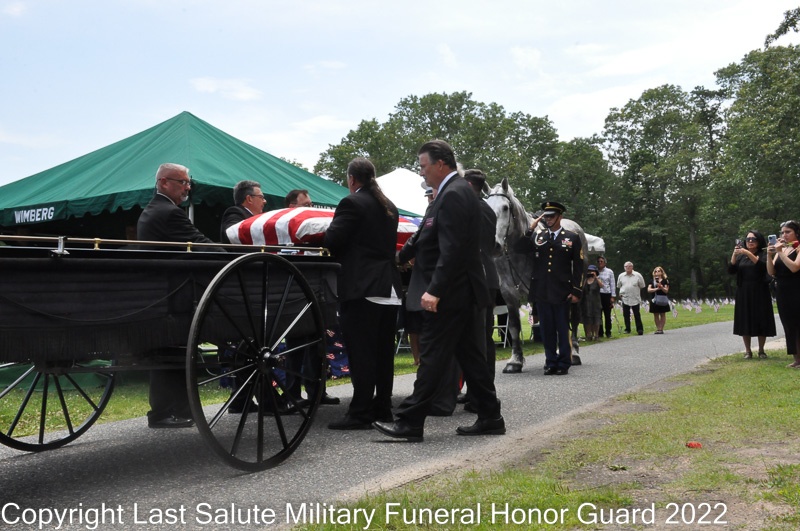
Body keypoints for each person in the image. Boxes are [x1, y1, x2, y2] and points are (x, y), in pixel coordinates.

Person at [373, 140, 504, 442]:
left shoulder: (454, 194)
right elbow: (431, 237)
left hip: (453, 292)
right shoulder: (453, 192)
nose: (421, 172)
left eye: (423, 166)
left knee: (432, 354)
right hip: (462, 290)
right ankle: (491, 417)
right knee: (471, 357)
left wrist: (435, 289)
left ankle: (409, 422)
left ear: (440, 164)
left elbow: (453, 248)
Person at [137, 163, 221, 429]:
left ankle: (175, 410)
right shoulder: (169, 212)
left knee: (169, 352)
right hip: (172, 294)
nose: (187, 188)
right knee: (173, 351)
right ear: (163, 182)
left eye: (188, 183)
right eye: (182, 182)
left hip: (161, 293)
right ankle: (167, 411)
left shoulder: (154, 210)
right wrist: (231, 257)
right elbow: (199, 243)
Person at [324, 158, 403, 430]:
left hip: (364, 287)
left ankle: (360, 412)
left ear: (352, 179)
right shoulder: (388, 205)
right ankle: (383, 408)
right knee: (383, 353)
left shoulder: (352, 203)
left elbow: (332, 240)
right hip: (388, 288)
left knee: (361, 353)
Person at [516, 201, 584, 375]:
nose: (548, 219)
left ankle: (564, 363)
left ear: (560, 217)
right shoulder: (538, 236)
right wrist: (530, 229)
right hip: (541, 290)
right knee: (546, 329)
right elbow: (519, 248)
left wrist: (577, 290)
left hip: (562, 290)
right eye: (545, 216)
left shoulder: (572, 237)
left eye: (551, 216)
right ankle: (550, 361)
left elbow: (578, 266)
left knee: (562, 328)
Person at [462, 169, 500, 412]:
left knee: (479, 339)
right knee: (482, 338)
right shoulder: (486, 209)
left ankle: (483, 395)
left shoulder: (471, 208)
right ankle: (479, 391)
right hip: (488, 275)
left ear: (467, 185)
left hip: (477, 276)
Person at [728, 231, 776, 358]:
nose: (750, 241)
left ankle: (761, 350)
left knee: (761, 318)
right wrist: (734, 254)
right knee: (745, 319)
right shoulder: (741, 257)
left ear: (759, 241)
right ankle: (748, 351)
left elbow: (762, 267)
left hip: (760, 291)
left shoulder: (763, 254)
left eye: (753, 239)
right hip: (743, 291)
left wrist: (747, 253)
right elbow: (731, 270)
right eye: (748, 239)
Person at [766, 221, 800, 368]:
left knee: (798, 322)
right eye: (782, 232)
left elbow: (795, 267)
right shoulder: (783, 249)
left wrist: (780, 252)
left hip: (796, 289)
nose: (784, 235)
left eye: (788, 232)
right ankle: (797, 358)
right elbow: (771, 271)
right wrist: (769, 255)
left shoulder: (798, 248)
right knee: (788, 324)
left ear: (796, 233)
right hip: (782, 291)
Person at [617, 261, 645, 335]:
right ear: (624, 267)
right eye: (626, 266)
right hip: (625, 297)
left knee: (637, 314)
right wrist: (621, 293)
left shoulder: (638, 275)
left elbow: (642, 285)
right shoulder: (621, 276)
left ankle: (639, 329)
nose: (628, 268)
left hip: (635, 297)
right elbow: (619, 285)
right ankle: (627, 329)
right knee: (626, 314)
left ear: (632, 267)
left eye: (629, 266)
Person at [581, 264, 602, 341]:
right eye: (589, 271)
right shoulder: (585, 280)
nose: (590, 272)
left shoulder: (598, 279)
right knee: (587, 319)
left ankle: (596, 335)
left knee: (596, 318)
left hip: (596, 302)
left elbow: (602, 286)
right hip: (586, 302)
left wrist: (595, 277)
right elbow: (582, 288)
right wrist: (585, 278)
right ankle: (588, 335)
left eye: (592, 271)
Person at [647, 266, 671, 334]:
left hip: (663, 299)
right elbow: (649, 290)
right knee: (656, 314)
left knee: (662, 314)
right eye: (655, 271)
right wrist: (657, 288)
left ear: (661, 272)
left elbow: (666, 290)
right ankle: (658, 328)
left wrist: (661, 287)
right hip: (654, 299)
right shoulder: (652, 281)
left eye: (658, 271)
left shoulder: (665, 281)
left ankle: (661, 329)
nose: (657, 272)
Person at [596, 256, 616, 338]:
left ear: (605, 263)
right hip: (598, 294)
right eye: (598, 261)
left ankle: (608, 332)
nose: (600, 263)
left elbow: (612, 284)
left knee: (607, 314)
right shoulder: (595, 271)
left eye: (601, 261)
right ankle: (600, 332)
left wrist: (613, 296)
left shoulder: (609, 271)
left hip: (606, 294)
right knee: (599, 315)